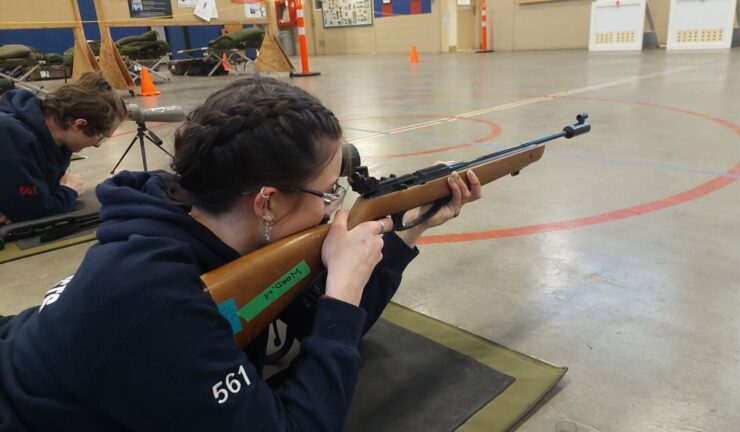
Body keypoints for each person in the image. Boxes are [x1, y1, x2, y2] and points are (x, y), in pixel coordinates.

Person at [0, 77, 481, 431]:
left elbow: (317, 323)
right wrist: (341, 300)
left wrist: (406, 232)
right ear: (266, 202)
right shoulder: (160, 301)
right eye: (329, 191)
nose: (336, 206)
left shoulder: (205, 222)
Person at [0, 71, 127, 225]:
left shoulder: (53, 140)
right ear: (78, 124)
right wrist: (69, 192)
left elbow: (29, 203)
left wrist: (23, 206)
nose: (98, 144)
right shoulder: (11, 136)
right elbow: (33, 212)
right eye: (101, 136)